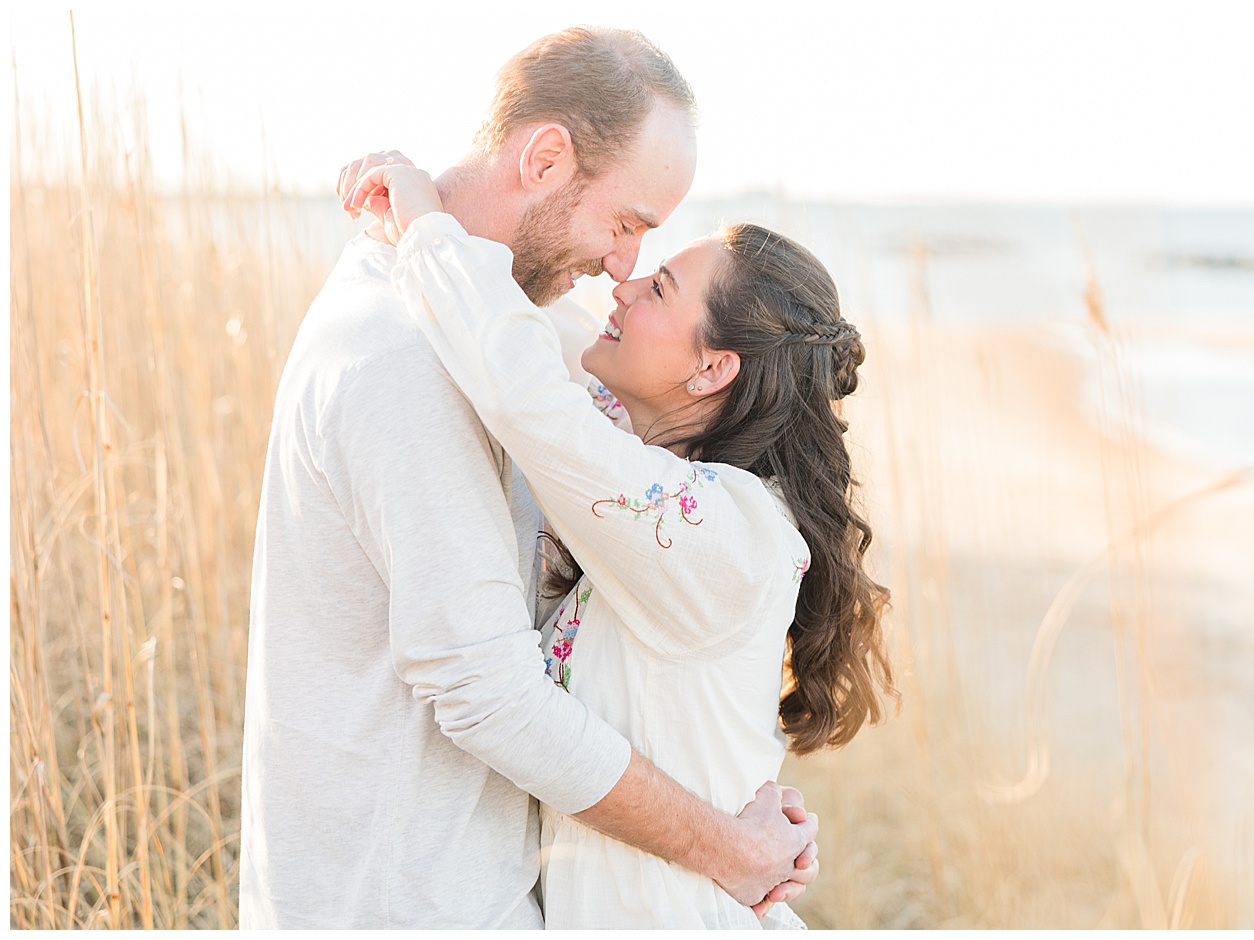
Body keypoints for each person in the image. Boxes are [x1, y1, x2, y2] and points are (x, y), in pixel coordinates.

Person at [239, 27, 818, 930]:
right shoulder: (406, 359)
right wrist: (729, 845)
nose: (622, 268)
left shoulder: (495, 338)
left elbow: (548, 379)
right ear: (546, 158)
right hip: (399, 904)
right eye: (627, 224)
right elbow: (488, 693)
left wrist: (728, 777)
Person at [335, 148, 898, 927]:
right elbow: (538, 337)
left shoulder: (729, 532)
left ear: (710, 369)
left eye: (660, 287)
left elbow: (526, 394)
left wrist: (429, 225)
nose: (623, 283)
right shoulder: (648, 465)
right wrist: (437, 232)